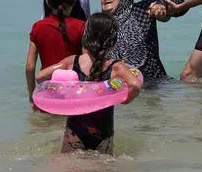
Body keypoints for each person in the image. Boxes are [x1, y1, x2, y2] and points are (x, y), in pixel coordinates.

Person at [36, 13, 144, 153]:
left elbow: (40, 77)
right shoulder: (116, 67)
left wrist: (62, 93)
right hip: (103, 132)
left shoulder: (72, 61)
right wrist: (126, 99)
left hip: (75, 130)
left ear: (86, 36)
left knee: (68, 170)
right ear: (112, 40)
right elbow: (135, 84)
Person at [101, 0, 179, 85]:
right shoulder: (101, 25)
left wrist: (162, 5)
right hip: (121, 85)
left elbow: (180, 4)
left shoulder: (140, 10)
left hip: (155, 82)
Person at [26, 0, 86, 106]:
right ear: (74, 0)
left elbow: (30, 67)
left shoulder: (38, 27)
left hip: (48, 94)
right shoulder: (82, 26)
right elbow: (85, 61)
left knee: (46, 127)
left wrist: (32, 95)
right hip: (72, 94)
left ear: (47, 1)